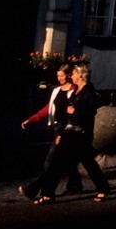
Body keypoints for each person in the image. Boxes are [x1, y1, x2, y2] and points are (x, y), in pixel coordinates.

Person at [41, 63, 111, 202]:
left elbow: (91, 112)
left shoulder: (88, 92)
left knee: (85, 162)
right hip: (69, 132)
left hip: (81, 133)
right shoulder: (75, 91)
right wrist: (60, 133)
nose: (71, 76)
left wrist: (76, 111)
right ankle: (48, 193)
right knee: (61, 161)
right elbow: (66, 115)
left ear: (80, 75)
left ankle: (102, 189)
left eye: (73, 74)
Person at [19, 64, 83, 201]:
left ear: (68, 75)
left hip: (67, 129)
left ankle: (33, 189)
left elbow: (74, 112)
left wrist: (63, 132)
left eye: (62, 76)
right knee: (67, 159)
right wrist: (32, 119)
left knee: (51, 160)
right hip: (56, 127)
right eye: (58, 76)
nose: (59, 78)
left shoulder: (75, 91)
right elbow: (49, 108)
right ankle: (76, 185)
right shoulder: (56, 90)